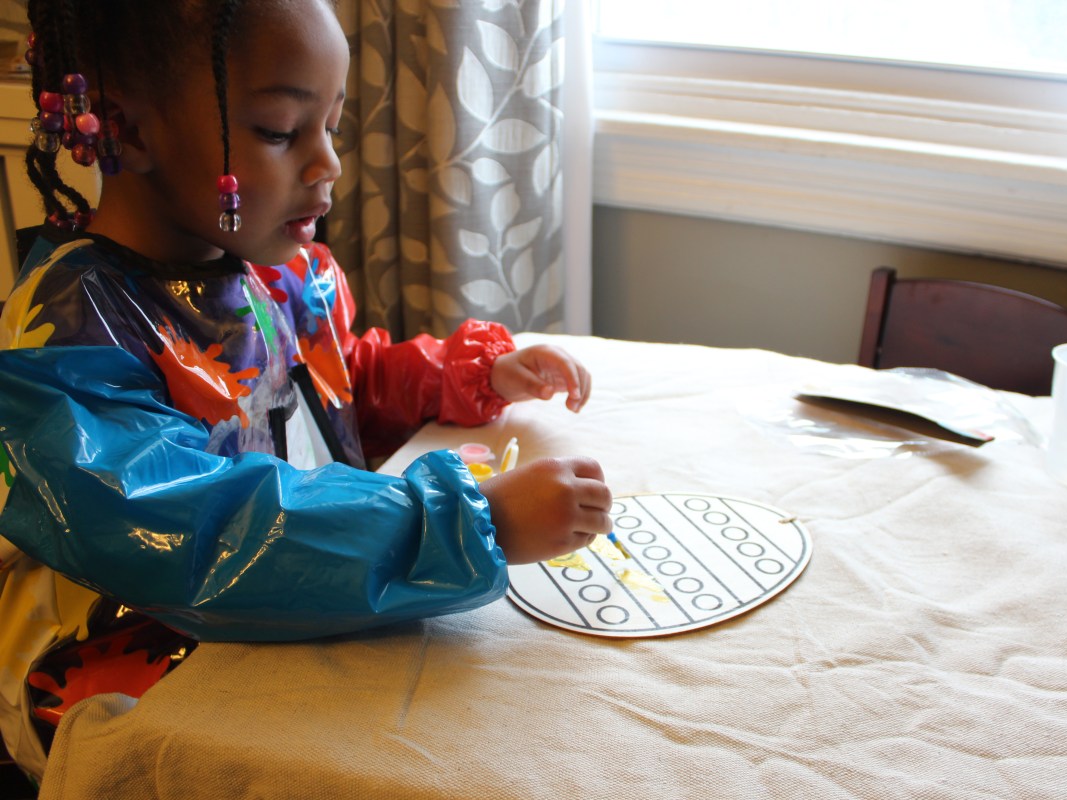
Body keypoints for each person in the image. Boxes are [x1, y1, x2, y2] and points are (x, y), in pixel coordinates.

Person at [0, 0, 612, 782]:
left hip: (314, 583)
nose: (329, 165)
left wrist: (467, 375)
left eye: (333, 125)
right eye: (282, 132)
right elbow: (198, 528)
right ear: (128, 129)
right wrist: (476, 521)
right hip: (137, 664)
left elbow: (334, 391)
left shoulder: (275, 272)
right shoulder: (67, 332)